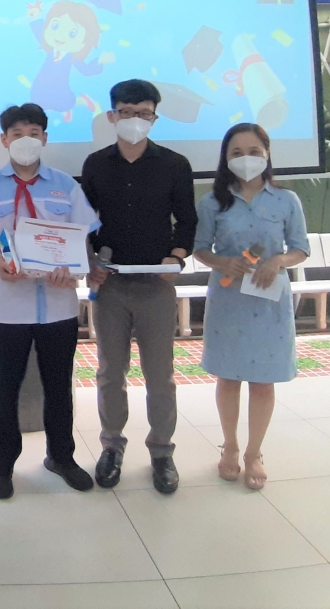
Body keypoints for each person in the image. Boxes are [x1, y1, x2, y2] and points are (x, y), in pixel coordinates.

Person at [0, 103, 99, 500]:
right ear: (4, 140)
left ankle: (62, 457)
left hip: (58, 305)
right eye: (17, 134)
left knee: (59, 387)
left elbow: (83, 235)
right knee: (5, 389)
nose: (26, 140)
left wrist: (73, 267)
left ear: (45, 138)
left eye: (34, 133)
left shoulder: (65, 186)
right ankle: (3, 465)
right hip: (6, 308)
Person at [81, 79, 197, 495]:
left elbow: (187, 220)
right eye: (127, 112)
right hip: (110, 285)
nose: (135, 120)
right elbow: (84, 222)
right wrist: (90, 262)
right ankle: (111, 447)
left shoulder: (175, 164)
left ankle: (162, 452)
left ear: (154, 118)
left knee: (160, 375)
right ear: (113, 115)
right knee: (110, 373)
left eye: (144, 113)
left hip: (155, 284)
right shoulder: (95, 164)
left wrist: (176, 257)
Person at [193, 123, 308, 490]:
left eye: (254, 151)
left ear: (267, 154)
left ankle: (254, 452)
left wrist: (279, 261)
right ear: (226, 159)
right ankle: (229, 446)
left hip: (269, 300)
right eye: (237, 153)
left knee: (263, 380)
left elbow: (301, 248)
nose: (246, 159)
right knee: (228, 377)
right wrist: (222, 262)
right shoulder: (212, 203)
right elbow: (200, 249)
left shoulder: (287, 200)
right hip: (229, 300)